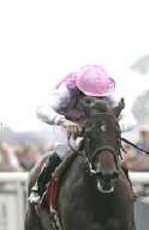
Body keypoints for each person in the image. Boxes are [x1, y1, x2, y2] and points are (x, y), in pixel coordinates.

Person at [29, 64, 137, 204]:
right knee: (63, 150)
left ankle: (129, 192)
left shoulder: (109, 92)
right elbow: (41, 109)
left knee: (109, 153)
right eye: (90, 96)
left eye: (99, 97)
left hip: (95, 128)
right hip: (68, 123)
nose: (95, 100)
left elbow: (131, 120)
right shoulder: (66, 91)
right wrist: (62, 121)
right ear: (80, 91)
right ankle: (40, 186)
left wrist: (114, 127)